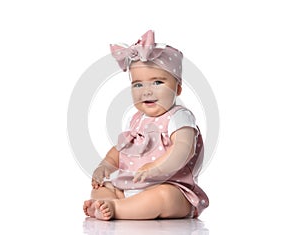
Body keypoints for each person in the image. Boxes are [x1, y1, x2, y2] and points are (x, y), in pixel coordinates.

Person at [83, 30, 209, 220]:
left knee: (163, 197)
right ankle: (110, 203)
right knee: (103, 188)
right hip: (132, 187)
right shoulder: (137, 119)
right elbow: (121, 149)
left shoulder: (179, 117)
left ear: (178, 88)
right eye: (138, 85)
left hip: (174, 190)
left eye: (157, 82)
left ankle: (118, 209)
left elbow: (184, 149)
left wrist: (156, 167)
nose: (146, 91)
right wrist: (105, 166)